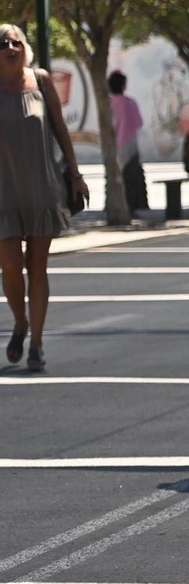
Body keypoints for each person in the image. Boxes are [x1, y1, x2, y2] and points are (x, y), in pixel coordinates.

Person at [0, 25, 88, 372]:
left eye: (16, 42)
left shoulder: (41, 81)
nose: (10, 47)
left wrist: (75, 174)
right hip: (3, 191)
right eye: (3, 44)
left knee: (37, 265)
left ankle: (36, 342)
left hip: (41, 186)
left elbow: (61, 130)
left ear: (25, 47)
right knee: (10, 266)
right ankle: (20, 322)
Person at [107, 70, 147, 212]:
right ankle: (133, 207)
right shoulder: (130, 103)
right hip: (130, 147)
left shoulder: (107, 103)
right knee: (132, 180)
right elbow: (138, 124)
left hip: (114, 148)